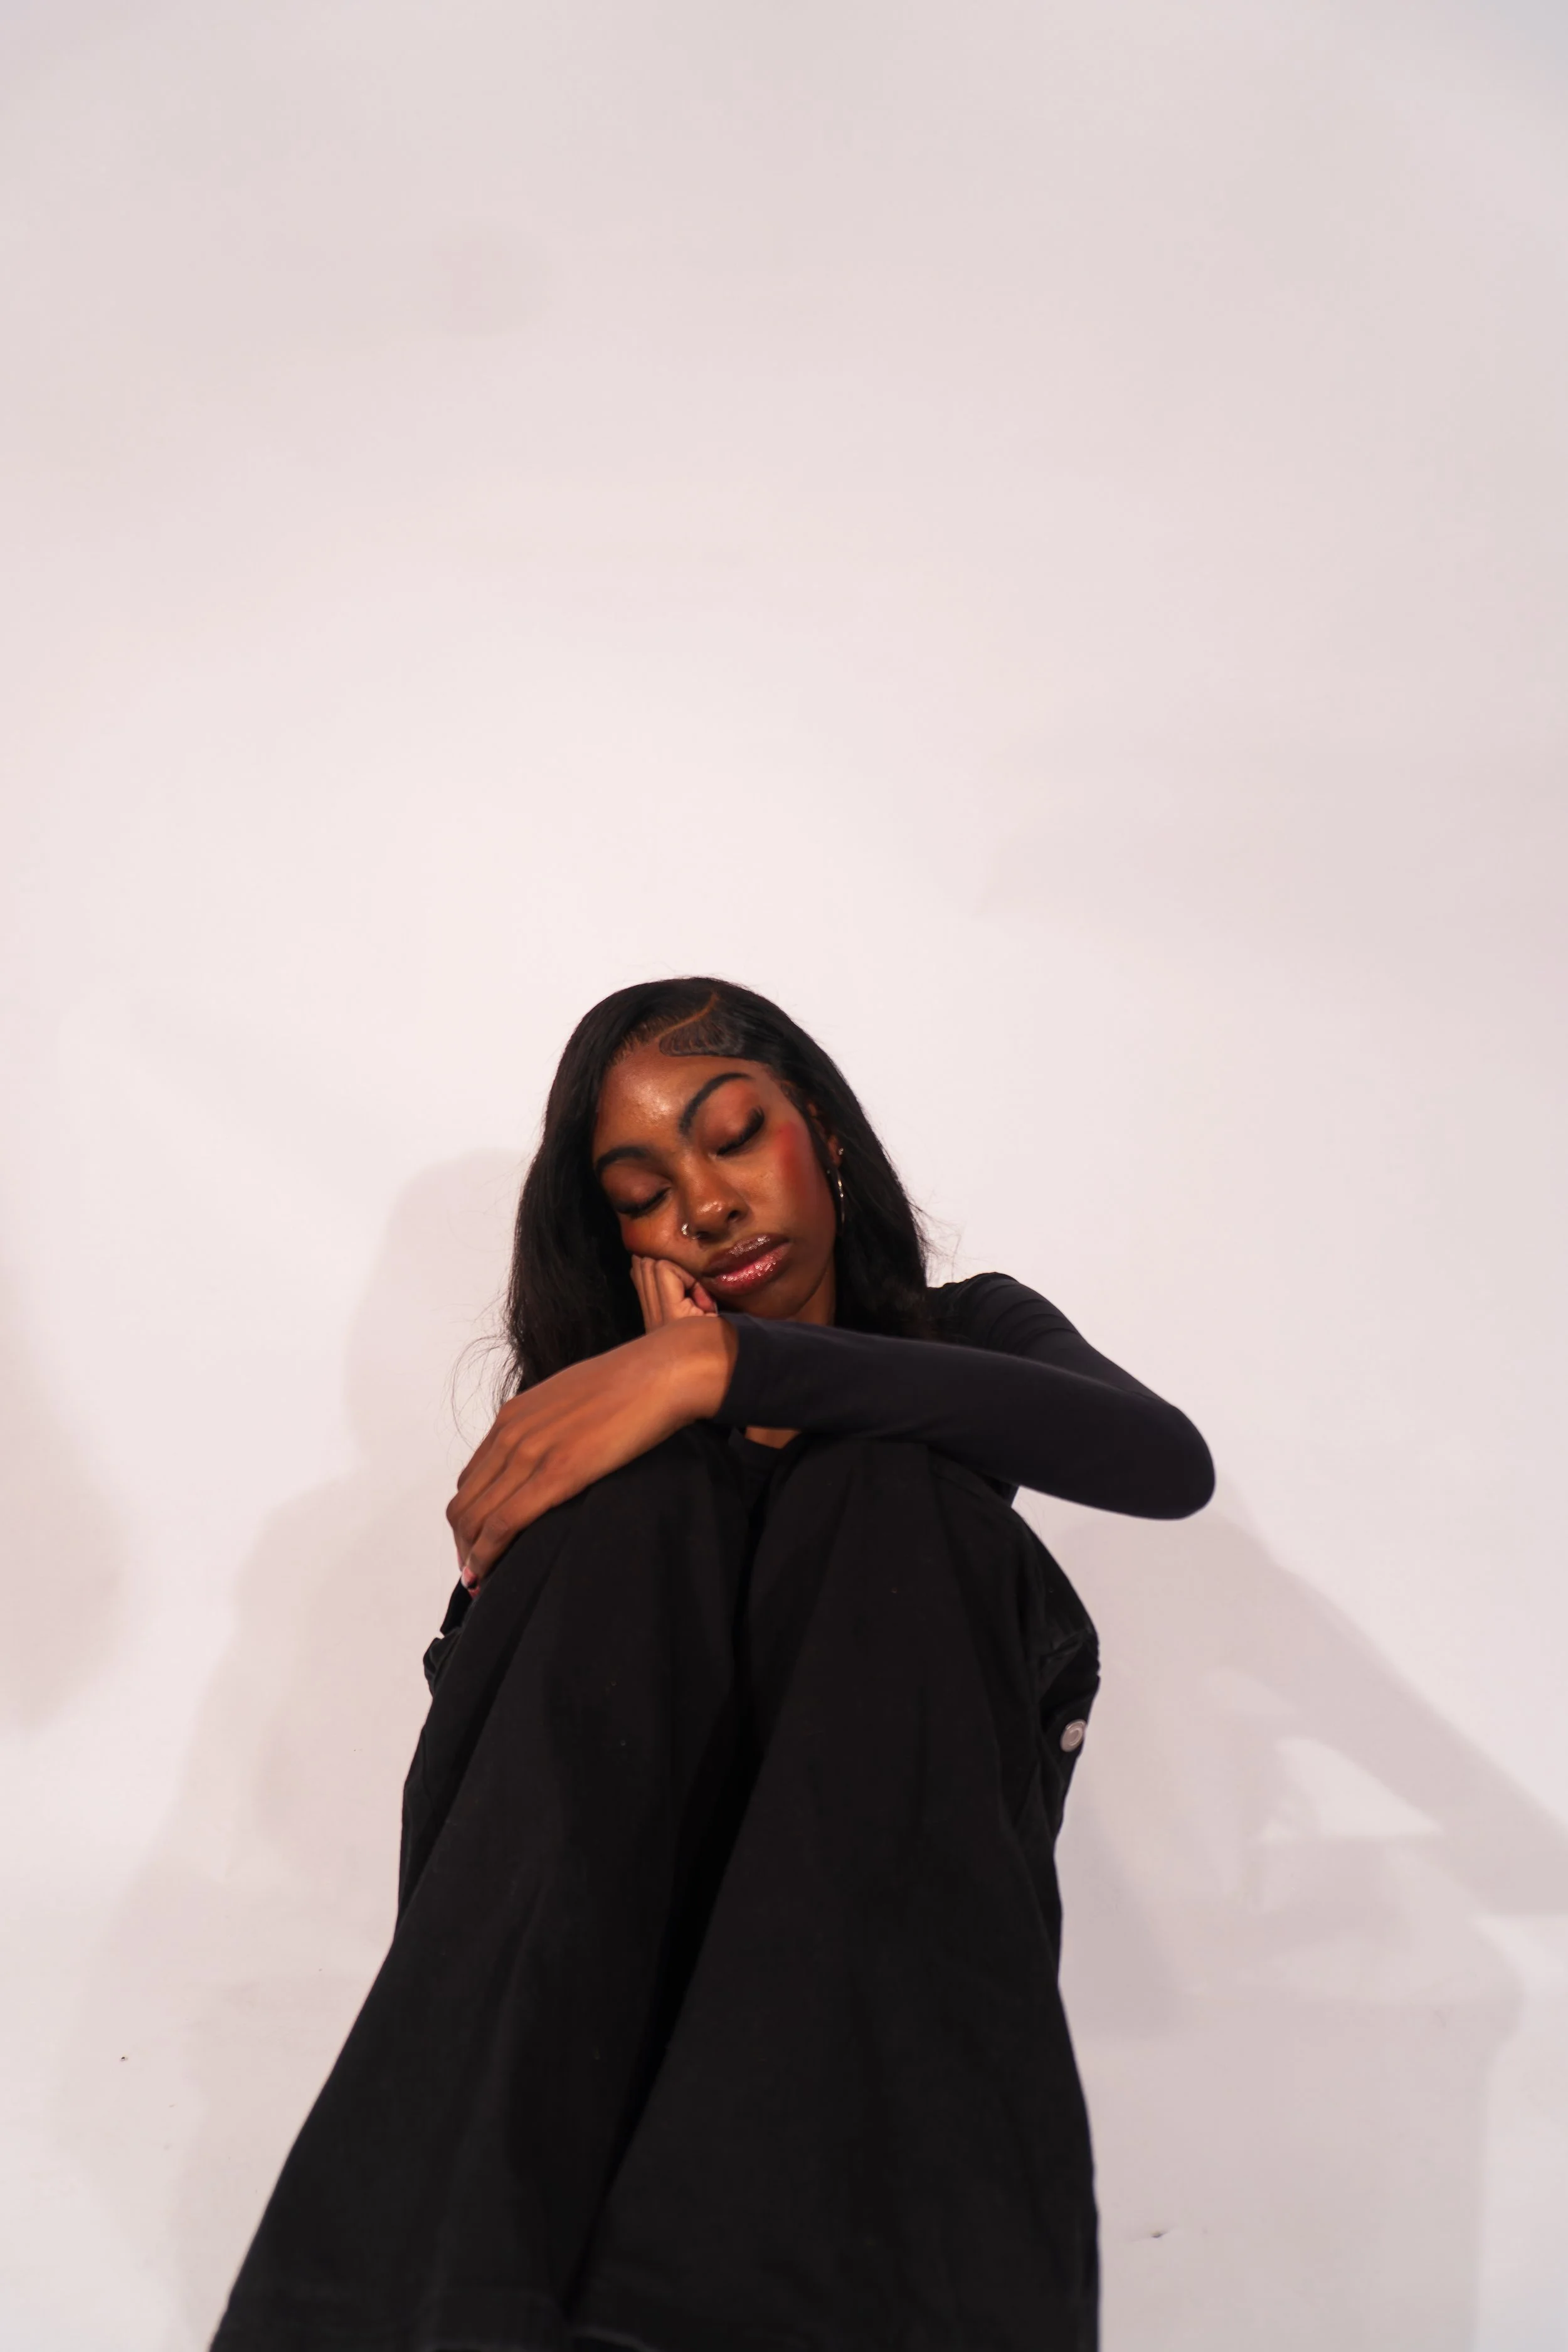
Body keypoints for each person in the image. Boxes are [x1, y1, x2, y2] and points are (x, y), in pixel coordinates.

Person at [209, 976, 1214, 2352]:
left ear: (825, 1133)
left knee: (889, 1499)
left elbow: (1161, 1462)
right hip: (601, 1901)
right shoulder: (596, 1430)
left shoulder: (965, 1333)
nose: (704, 1203)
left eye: (732, 1134)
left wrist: (724, 1368)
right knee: (633, 1518)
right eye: (640, 1188)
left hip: (878, 1904)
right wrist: (659, 1394)